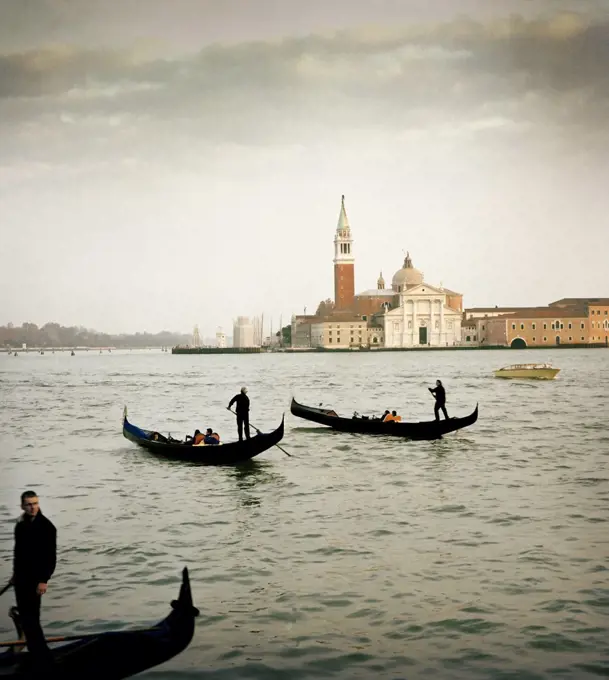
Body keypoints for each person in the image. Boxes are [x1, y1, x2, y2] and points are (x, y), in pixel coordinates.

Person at [11, 490, 56, 669]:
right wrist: (15, 574)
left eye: (35, 503)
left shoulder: (47, 527)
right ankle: (36, 655)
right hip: (21, 579)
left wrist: (44, 580)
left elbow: (50, 557)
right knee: (27, 620)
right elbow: (18, 553)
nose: (33, 507)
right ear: (22, 506)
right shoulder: (20, 525)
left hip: (35, 580)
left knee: (31, 620)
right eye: (29, 504)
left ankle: (43, 658)